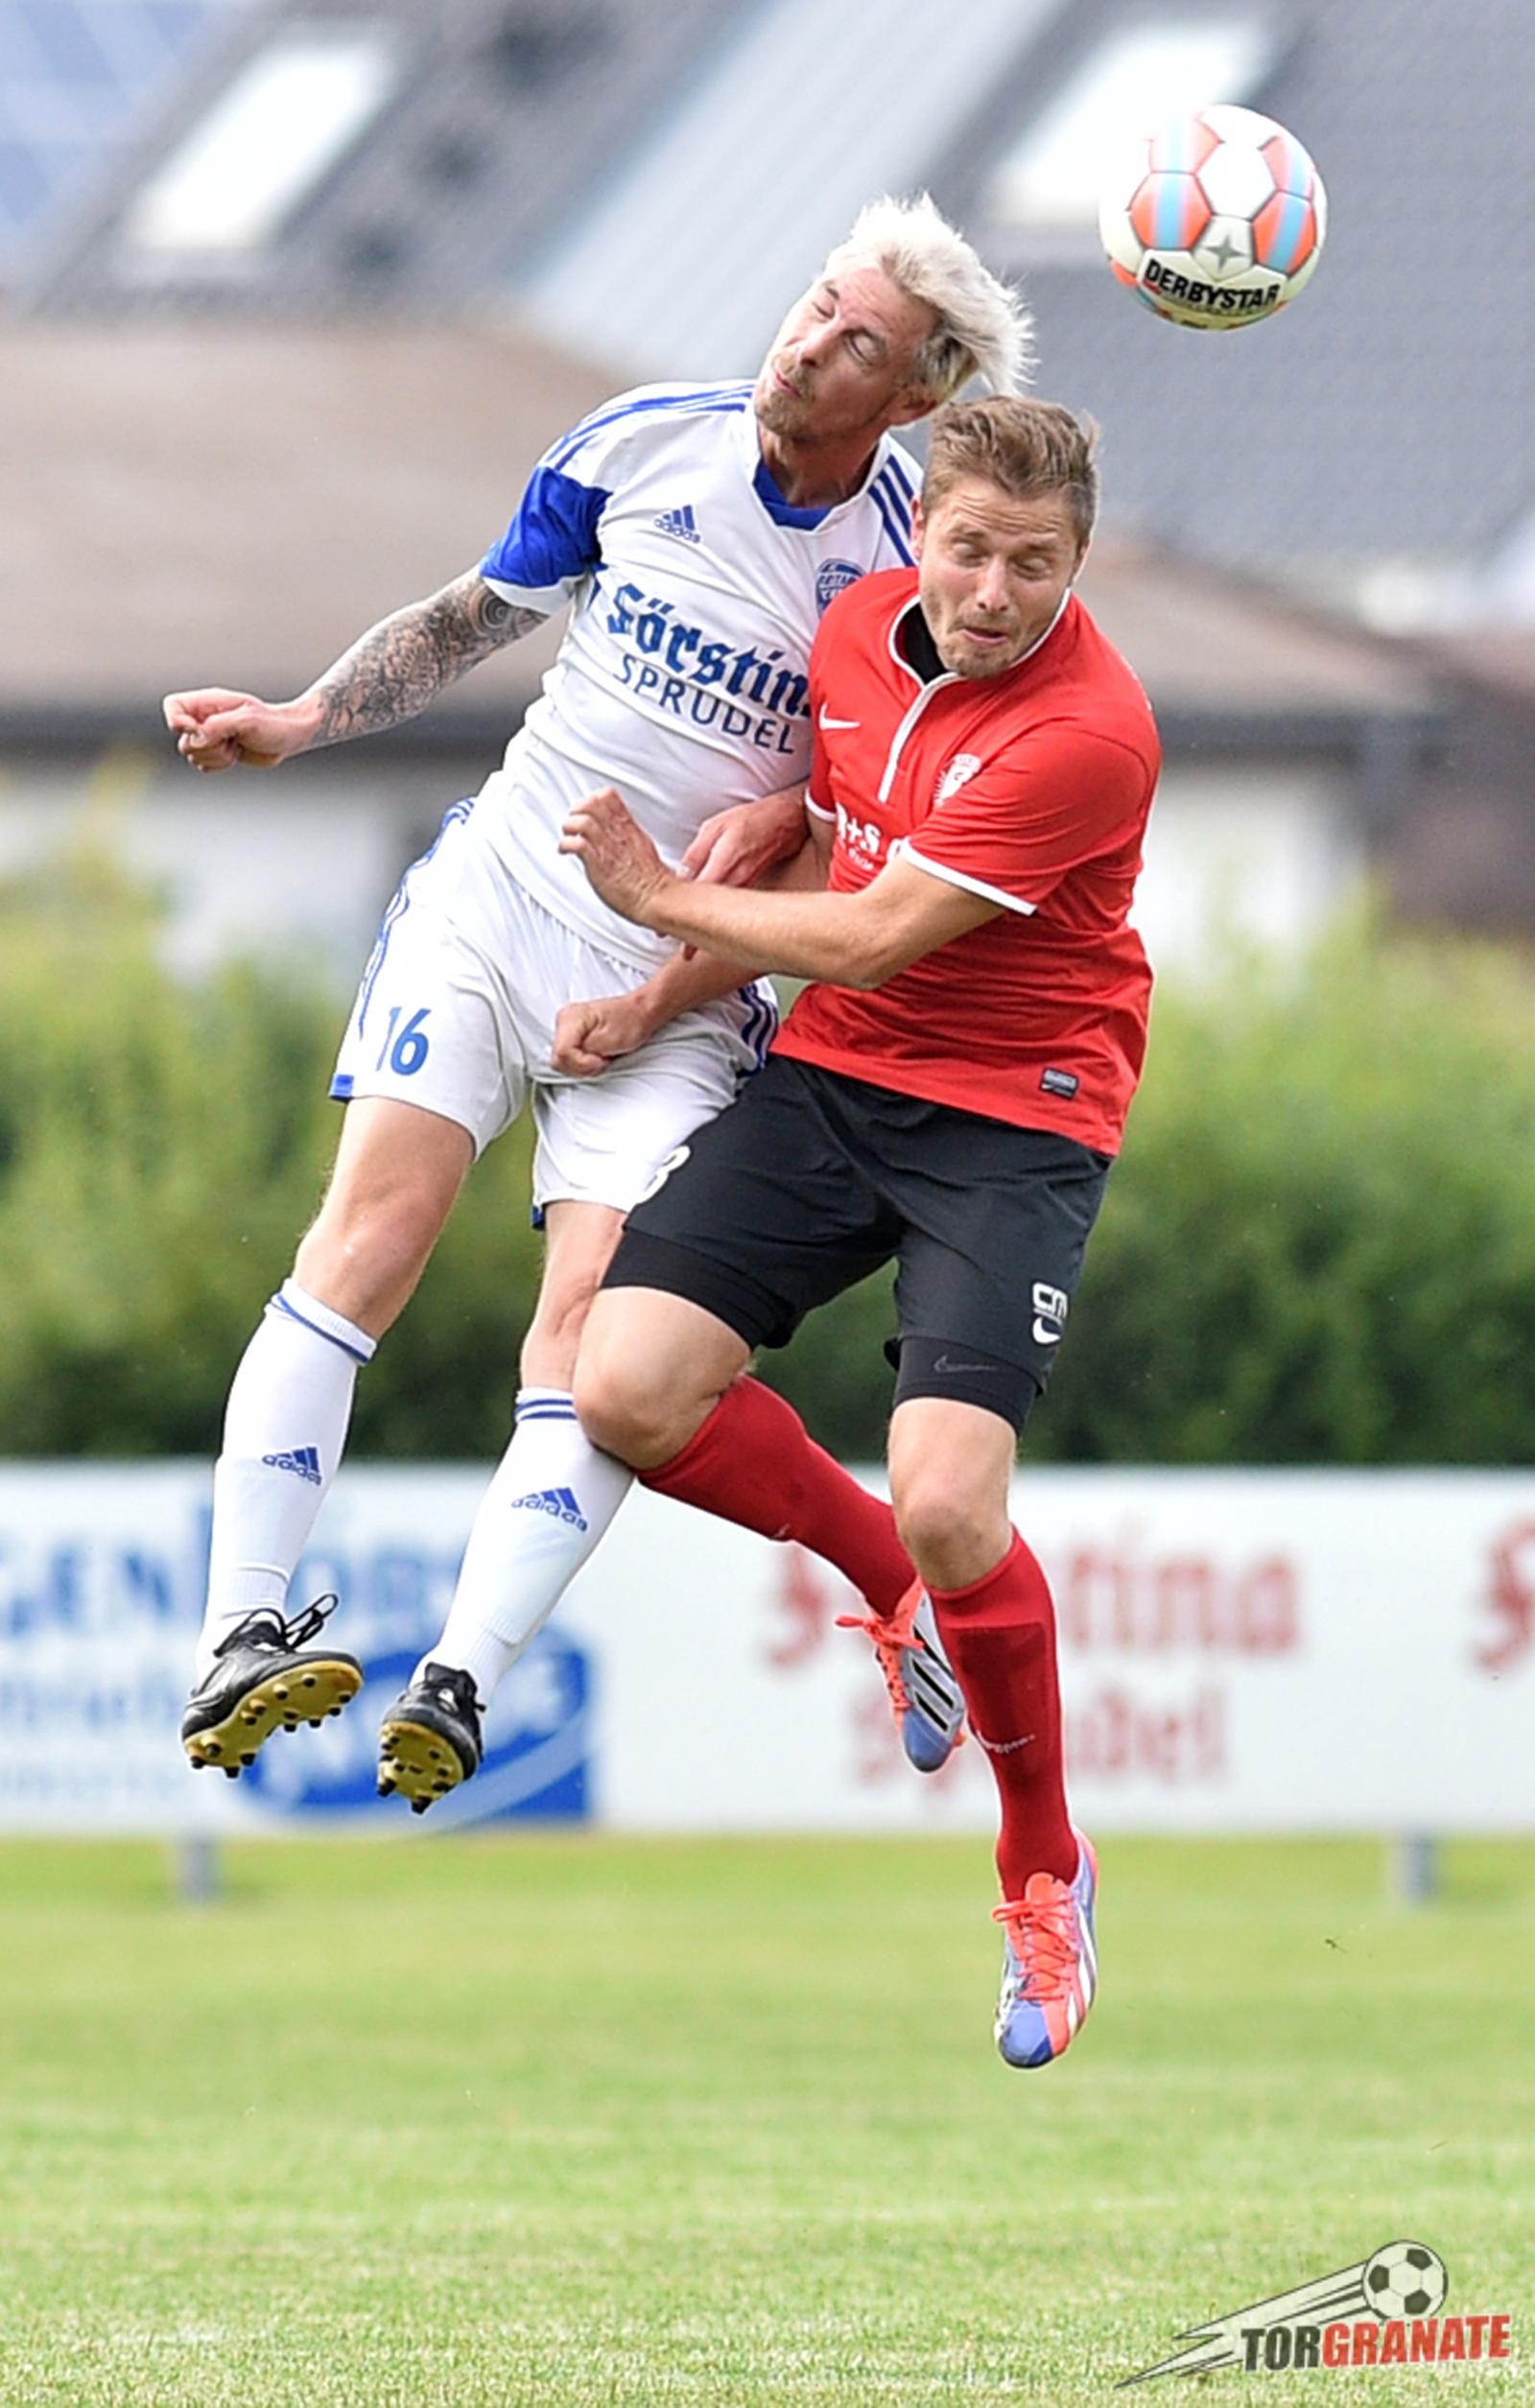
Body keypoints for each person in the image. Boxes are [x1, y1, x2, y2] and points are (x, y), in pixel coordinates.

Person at [164, 197, 1029, 1807]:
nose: (805, 343)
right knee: (369, 1240)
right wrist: (300, 718)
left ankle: (458, 1685)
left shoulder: (914, 574)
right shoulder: (642, 443)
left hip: (684, 986)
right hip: (497, 900)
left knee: (591, 1339)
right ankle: (236, 1636)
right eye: (812, 303)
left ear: (916, 393)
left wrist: (666, 984)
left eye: (855, 340)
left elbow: (851, 853)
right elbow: (466, 618)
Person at [557, 395, 1160, 2067]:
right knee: (624, 1387)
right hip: (836, 1077)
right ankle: (884, 1577)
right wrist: (655, 998)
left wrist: (654, 902)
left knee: (956, 1498)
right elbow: (831, 846)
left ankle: (1043, 1870)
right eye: (967, 550)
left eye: (1032, 564)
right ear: (925, 535)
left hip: (1016, 1114)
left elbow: (879, 928)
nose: (992, 592)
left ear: (1076, 563)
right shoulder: (851, 635)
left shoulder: (1092, 732)